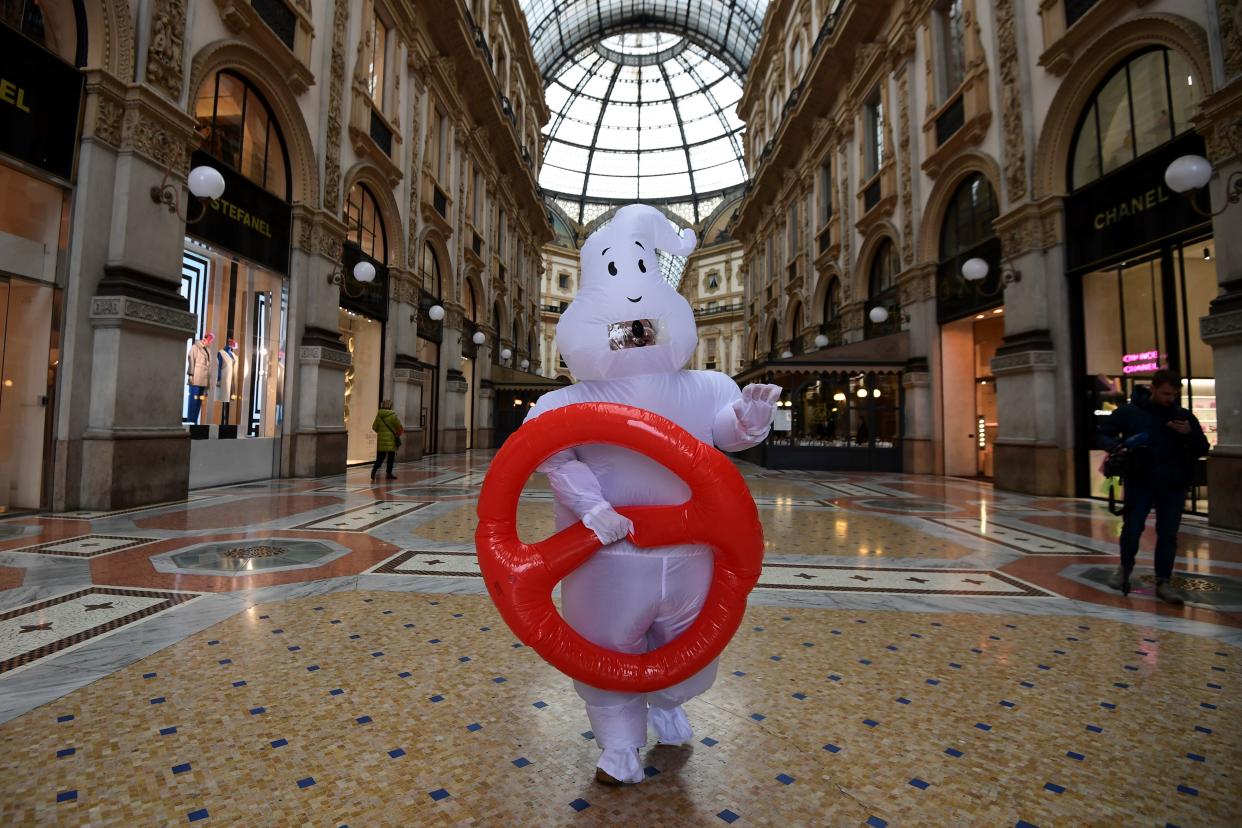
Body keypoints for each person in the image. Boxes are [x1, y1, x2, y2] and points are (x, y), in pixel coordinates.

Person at [523, 204, 780, 786]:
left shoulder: (706, 387)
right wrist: (593, 509)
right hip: (602, 563)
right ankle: (618, 746)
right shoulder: (562, 405)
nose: (634, 315)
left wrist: (750, 419)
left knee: (690, 647)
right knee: (604, 650)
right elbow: (554, 456)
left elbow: (724, 432)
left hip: (693, 556)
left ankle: (669, 699)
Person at [1097, 370, 1210, 604]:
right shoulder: (1130, 412)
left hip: (1173, 483)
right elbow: (1101, 434)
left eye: (1174, 395)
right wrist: (1118, 447)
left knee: (1168, 534)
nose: (1170, 398)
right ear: (1153, 388)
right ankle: (1125, 568)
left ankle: (1164, 581)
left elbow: (1202, 448)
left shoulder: (1183, 416)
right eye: (1166, 393)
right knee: (1132, 529)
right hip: (1140, 480)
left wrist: (1188, 434)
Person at [370, 400, 403, 481]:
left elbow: (374, 427)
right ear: (390, 406)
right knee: (391, 458)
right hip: (391, 440)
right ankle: (389, 474)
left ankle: (374, 469)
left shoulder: (379, 415)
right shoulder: (392, 415)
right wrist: (397, 434)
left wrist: (381, 433)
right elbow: (399, 427)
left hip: (381, 440)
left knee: (380, 458)